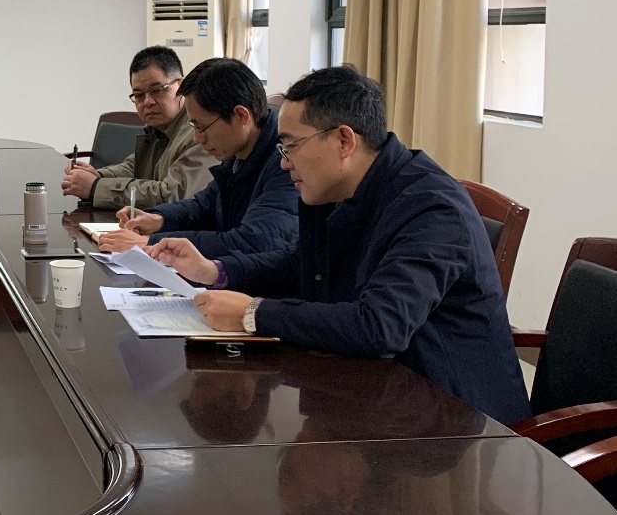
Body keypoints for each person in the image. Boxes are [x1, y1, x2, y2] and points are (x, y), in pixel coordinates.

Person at [151, 65, 531, 426]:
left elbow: (379, 326)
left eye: (290, 147)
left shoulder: (431, 208)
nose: (283, 164)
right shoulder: (332, 188)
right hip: (377, 392)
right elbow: (299, 264)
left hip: (457, 422)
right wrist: (216, 271)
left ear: (344, 141)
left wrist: (252, 313)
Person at [97, 57, 298, 256]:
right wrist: (158, 219)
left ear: (241, 116)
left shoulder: (286, 163)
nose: (197, 138)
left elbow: (251, 242)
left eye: (202, 127)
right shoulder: (237, 154)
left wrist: (151, 243)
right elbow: (203, 206)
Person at [62, 46, 214, 210]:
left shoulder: (200, 132)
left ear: (181, 87)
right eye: (139, 95)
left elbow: (172, 196)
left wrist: (96, 187)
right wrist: (98, 175)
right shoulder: (158, 128)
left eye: (157, 90)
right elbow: (135, 167)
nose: (147, 102)